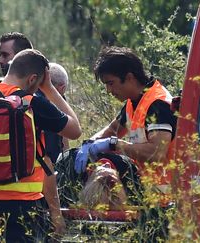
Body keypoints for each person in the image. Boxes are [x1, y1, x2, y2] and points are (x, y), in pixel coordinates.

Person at [0, 49, 82, 242]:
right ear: (33, 79)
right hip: (22, 209)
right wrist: (49, 88)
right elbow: (75, 130)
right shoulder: (30, 104)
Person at [74, 46, 177, 239]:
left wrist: (116, 144)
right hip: (145, 196)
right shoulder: (134, 101)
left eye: (111, 83)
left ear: (129, 77)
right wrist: (90, 144)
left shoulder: (158, 104)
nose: (109, 90)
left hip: (163, 201)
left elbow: (157, 153)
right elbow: (111, 130)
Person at [37, 62, 70, 163]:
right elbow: (71, 132)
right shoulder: (49, 105)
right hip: (48, 167)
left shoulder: (30, 97)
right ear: (62, 87)